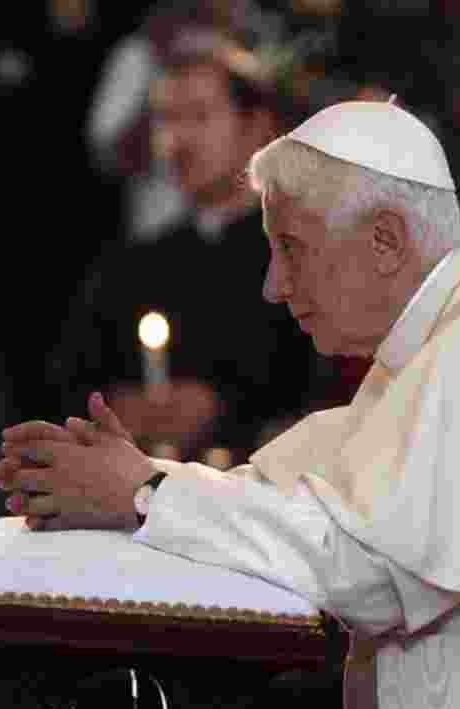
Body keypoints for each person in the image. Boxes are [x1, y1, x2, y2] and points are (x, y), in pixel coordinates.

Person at [0, 100, 460, 709]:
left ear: (387, 238)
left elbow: (369, 563)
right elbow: (306, 504)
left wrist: (146, 493)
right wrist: (135, 480)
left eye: (291, 249)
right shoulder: (435, 344)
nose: (273, 286)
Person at [43, 15, 331, 466]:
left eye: (199, 116)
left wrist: (222, 411)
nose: (177, 140)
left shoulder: (305, 253)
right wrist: (118, 408)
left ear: (257, 126)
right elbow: (69, 381)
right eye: (166, 120)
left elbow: (319, 394)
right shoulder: (136, 262)